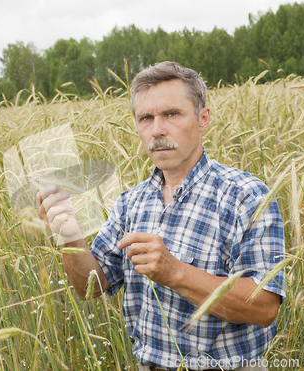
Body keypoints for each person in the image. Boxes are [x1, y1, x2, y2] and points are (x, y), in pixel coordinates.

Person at [37, 61, 286, 371]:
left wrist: (175, 272)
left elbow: (264, 308)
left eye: (171, 114)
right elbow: (91, 286)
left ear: (202, 118)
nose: (157, 130)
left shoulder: (246, 197)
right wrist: (68, 233)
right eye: (146, 118)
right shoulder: (131, 203)